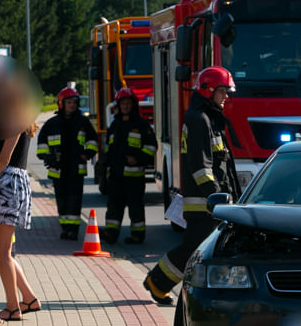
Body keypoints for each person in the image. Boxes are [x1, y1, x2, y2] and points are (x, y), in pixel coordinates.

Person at [143, 67, 241, 305]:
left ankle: (162, 282)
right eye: (222, 91)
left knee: (202, 247)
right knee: (193, 249)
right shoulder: (200, 119)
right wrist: (214, 197)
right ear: (208, 91)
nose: (226, 96)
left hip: (210, 200)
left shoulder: (208, 117)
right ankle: (158, 282)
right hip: (203, 202)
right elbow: (201, 166)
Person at [0, 123, 42, 321]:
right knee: (1, 252)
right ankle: (28, 298)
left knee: (1, 252)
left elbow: (4, 158)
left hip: (8, 182)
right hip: (14, 182)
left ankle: (13, 307)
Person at [36, 86, 98, 240]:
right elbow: (41, 143)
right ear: (61, 104)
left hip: (76, 168)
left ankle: (73, 230)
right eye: (69, 102)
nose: (72, 105)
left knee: (74, 199)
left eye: (74, 102)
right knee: (62, 199)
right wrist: (47, 157)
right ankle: (65, 228)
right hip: (58, 169)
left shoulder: (83, 122)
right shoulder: (52, 123)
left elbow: (93, 141)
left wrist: (87, 154)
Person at [102, 87, 157, 244]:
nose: (125, 106)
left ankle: (137, 235)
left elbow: (152, 147)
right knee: (113, 206)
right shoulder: (115, 124)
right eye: (123, 104)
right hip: (115, 175)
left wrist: (138, 158)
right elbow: (109, 148)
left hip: (134, 176)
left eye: (128, 103)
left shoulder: (141, 125)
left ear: (133, 105)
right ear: (118, 105)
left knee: (135, 207)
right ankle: (111, 233)